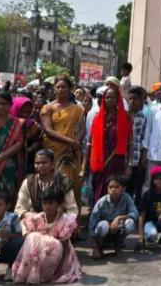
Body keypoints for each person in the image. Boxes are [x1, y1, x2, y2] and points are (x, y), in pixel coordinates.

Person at [11, 186, 82, 284]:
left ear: (59, 204)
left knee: (53, 242)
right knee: (32, 236)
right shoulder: (37, 218)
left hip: (59, 255)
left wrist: (59, 270)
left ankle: (46, 274)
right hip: (39, 255)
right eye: (44, 203)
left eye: (51, 203)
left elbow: (64, 247)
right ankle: (29, 271)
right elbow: (29, 242)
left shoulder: (65, 220)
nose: (47, 207)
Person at [40, 75, 85, 210]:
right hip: (53, 154)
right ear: (54, 88)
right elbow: (48, 131)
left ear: (70, 89)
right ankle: (53, 219)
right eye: (58, 87)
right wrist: (71, 142)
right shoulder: (48, 108)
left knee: (72, 186)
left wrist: (75, 143)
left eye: (64, 87)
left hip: (71, 155)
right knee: (54, 187)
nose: (60, 90)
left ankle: (72, 223)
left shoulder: (77, 109)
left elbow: (83, 129)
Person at [88, 85, 131, 202]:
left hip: (116, 160)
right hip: (99, 159)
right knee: (99, 186)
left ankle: (114, 214)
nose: (110, 100)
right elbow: (90, 142)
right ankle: (98, 212)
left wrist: (129, 164)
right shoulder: (97, 117)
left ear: (118, 99)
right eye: (107, 97)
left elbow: (129, 142)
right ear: (103, 99)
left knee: (115, 186)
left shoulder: (125, 117)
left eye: (113, 97)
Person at [15, 149, 78, 216]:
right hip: (33, 221)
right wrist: (35, 216)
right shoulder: (28, 182)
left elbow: (72, 210)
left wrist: (61, 220)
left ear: (52, 163)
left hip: (59, 221)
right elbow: (19, 209)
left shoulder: (63, 182)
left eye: (44, 163)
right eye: (37, 163)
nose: (40, 166)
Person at [89, 175, 139, 258]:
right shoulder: (101, 202)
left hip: (118, 228)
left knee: (130, 223)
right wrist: (94, 248)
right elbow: (91, 226)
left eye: (116, 187)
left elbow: (135, 214)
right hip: (104, 231)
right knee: (103, 225)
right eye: (110, 187)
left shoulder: (126, 197)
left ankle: (118, 244)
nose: (113, 190)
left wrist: (118, 218)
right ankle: (100, 247)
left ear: (123, 189)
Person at [125, 86, 149, 202]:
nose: (132, 101)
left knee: (138, 185)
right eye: (130, 99)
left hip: (138, 158)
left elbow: (145, 138)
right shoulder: (123, 116)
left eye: (135, 99)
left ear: (141, 101)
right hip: (124, 158)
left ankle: (137, 211)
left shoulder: (144, 117)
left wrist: (143, 157)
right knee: (125, 186)